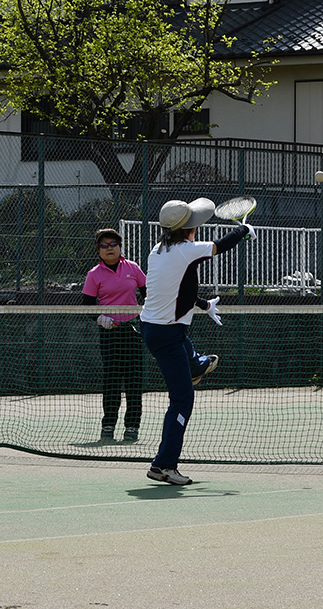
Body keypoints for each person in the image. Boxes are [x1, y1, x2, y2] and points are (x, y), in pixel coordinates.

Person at [139, 197, 250, 485]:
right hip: (166, 334)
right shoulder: (187, 250)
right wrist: (243, 230)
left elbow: (175, 289)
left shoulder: (158, 250)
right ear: (188, 229)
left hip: (161, 328)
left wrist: (203, 305)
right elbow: (219, 246)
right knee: (182, 399)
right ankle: (163, 465)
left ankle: (196, 365)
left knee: (186, 354)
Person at [82, 228, 146, 442]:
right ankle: (108, 424)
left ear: (120, 247)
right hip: (109, 335)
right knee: (111, 380)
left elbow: (149, 294)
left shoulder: (133, 268)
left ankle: (132, 426)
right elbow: (87, 307)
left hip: (132, 331)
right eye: (104, 245)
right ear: (98, 250)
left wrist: (144, 316)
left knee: (134, 381)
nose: (109, 248)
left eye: (113, 244)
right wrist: (102, 319)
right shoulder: (94, 275)